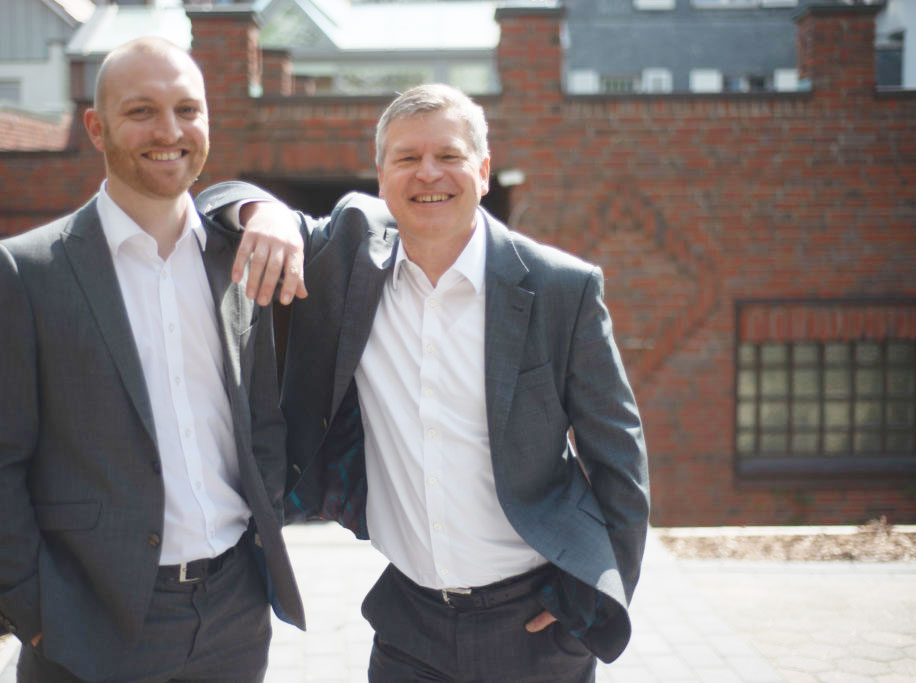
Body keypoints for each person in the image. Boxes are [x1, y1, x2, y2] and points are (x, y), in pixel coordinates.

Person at [197, 83, 650, 682]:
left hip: (536, 625)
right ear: (382, 177)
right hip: (407, 625)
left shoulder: (560, 288)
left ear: (482, 171)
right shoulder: (349, 261)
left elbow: (619, 456)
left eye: (449, 155)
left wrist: (592, 601)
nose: (428, 173)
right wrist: (267, 213)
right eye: (407, 157)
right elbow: (218, 198)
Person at [0, 37, 305, 683]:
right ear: (97, 127)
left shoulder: (237, 257)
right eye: (142, 111)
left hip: (235, 613)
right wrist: (35, 613)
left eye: (187, 109)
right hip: (93, 623)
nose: (169, 131)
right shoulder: (26, 272)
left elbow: (261, 422)